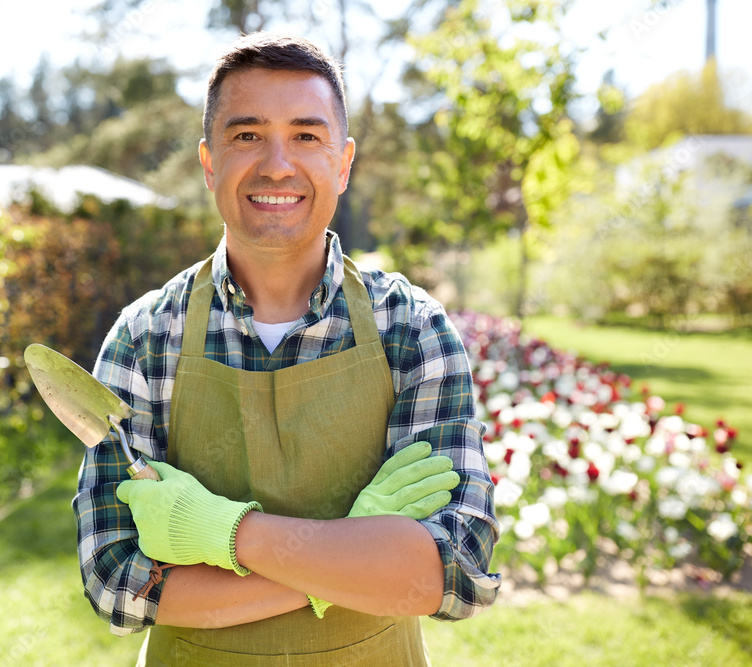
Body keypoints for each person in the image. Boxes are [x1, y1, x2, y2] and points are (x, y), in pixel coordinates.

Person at [73, 33, 500, 666]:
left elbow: (454, 573)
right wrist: (355, 555)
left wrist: (222, 532)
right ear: (209, 161)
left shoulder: (410, 329)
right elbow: (119, 585)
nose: (277, 165)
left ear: (343, 162)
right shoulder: (144, 339)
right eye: (247, 136)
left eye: (306, 135)